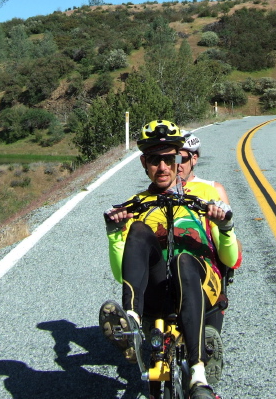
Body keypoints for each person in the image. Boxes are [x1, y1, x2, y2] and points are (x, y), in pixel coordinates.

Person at [100, 119, 239, 399]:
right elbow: (123, 273)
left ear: (178, 160)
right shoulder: (135, 205)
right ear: (144, 163)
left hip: (200, 285)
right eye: (154, 160)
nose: (162, 168)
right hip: (156, 291)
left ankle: (199, 378)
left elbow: (231, 259)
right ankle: (132, 322)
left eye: (168, 159)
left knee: (183, 260)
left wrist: (225, 228)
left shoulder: (205, 196)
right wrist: (115, 234)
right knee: (138, 231)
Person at [177, 131, 241, 347]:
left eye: (181, 158)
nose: (176, 165)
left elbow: (229, 237)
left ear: (194, 159)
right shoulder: (158, 192)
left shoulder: (212, 190)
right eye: (170, 158)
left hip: (202, 269)